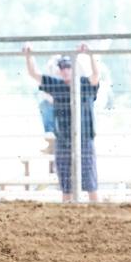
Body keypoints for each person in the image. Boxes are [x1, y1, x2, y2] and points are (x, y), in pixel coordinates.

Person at [23, 43, 100, 202]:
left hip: (84, 137)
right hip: (64, 138)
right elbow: (33, 73)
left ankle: (96, 208)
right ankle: (68, 212)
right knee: (66, 180)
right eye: (62, 67)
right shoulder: (57, 85)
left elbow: (95, 75)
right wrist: (29, 56)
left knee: (89, 177)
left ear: (73, 68)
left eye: (68, 67)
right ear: (59, 70)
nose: (65, 70)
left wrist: (91, 54)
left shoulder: (84, 84)